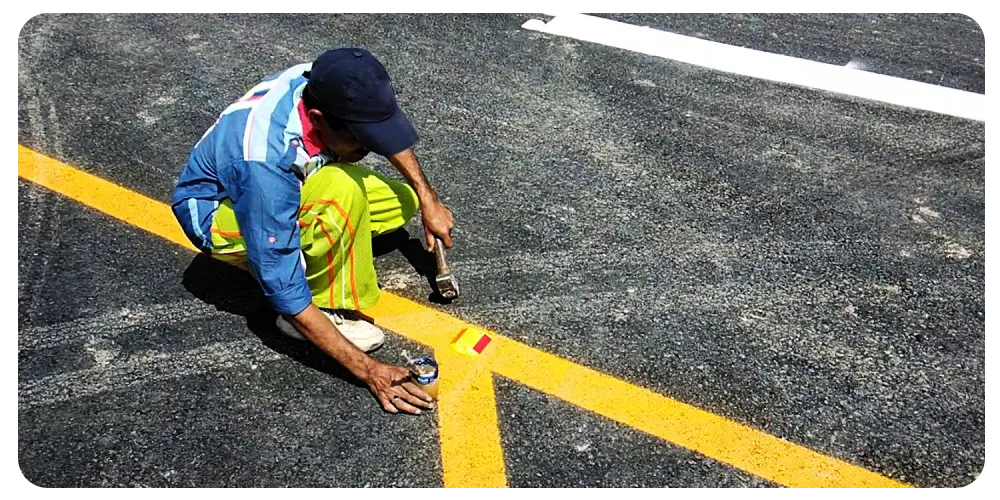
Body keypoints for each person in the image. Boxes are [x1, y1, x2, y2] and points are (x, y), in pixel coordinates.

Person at [170, 47, 454, 415]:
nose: (371, 148)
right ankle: (327, 302)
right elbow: (283, 289)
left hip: (289, 177)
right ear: (319, 119)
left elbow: (383, 129)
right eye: (363, 139)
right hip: (222, 212)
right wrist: (370, 372)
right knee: (340, 193)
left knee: (402, 200)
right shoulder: (266, 163)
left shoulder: (324, 81)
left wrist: (428, 199)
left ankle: (320, 233)